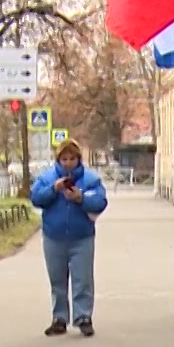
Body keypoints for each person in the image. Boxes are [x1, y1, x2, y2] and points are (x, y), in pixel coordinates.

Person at [30, 138, 108, 336]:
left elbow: (100, 201)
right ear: (58, 160)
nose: (68, 163)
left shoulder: (90, 179)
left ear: (78, 159)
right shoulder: (47, 178)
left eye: (72, 159)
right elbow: (36, 198)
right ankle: (59, 318)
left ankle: (83, 316)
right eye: (64, 159)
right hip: (53, 236)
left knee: (83, 279)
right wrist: (53, 190)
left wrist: (80, 198)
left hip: (81, 237)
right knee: (57, 280)